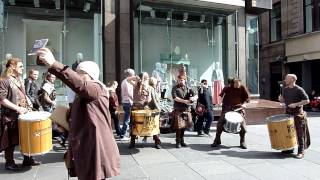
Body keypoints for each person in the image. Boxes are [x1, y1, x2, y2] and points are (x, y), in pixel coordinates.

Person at [37, 48, 120, 179]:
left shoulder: (96, 87)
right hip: (87, 143)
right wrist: (65, 122)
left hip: (94, 145)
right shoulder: (87, 92)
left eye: (80, 73)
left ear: (90, 74)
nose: (77, 75)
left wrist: (54, 64)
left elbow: (79, 84)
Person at [0, 58, 40, 171]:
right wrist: (17, 108)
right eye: (20, 66)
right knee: (11, 140)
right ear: (12, 67)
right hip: (10, 115)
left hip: (22, 114)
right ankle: (9, 162)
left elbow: (23, 94)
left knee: (26, 137)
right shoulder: (4, 80)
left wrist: (29, 104)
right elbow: (1, 99)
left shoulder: (19, 79)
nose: (23, 68)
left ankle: (27, 159)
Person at [211, 78, 250, 149]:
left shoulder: (243, 88)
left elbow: (247, 99)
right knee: (220, 123)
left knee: (244, 128)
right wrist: (220, 101)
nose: (238, 85)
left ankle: (242, 141)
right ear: (233, 83)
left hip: (238, 109)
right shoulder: (227, 88)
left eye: (239, 84)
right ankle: (217, 139)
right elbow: (220, 95)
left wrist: (244, 104)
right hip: (227, 109)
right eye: (236, 84)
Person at [278, 74, 310, 159]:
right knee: (289, 132)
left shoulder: (299, 89)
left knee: (300, 133)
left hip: (297, 114)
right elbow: (284, 101)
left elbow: (307, 100)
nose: (285, 80)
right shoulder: (285, 89)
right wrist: (281, 100)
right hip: (288, 113)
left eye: (286, 78)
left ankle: (301, 152)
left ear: (292, 79)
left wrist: (296, 104)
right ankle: (289, 149)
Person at [127, 72, 162, 149]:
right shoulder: (136, 85)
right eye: (145, 78)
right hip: (135, 108)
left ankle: (157, 141)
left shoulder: (150, 88)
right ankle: (132, 142)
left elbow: (150, 99)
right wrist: (136, 78)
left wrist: (146, 101)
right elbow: (128, 79)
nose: (146, 80)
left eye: (147, 78)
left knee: (153, 125)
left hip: (146, 109)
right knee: (134, 126)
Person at [171, 75, 197, 148]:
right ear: (177, 80)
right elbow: (175, 98)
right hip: (178, 109)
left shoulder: (188, 88)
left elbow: (196, 95)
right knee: (179, 127)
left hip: (186, 110)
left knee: (184, 127)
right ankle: (177, 142)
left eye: (182, 80)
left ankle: (182, 141)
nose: (180, 81)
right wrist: (184, 101)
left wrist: (193, 98)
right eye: (179, 80)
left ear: (184, 80)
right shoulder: (175, 88)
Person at [120, 68, 135, 140]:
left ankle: (123, 133)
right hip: (128, 101)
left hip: (125, 101)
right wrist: (134, 99)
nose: (134, 75)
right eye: (133, 74)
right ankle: (123, 134)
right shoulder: (127, 82)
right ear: (130, 75)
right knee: (127, 119)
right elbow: (130, 93)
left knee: (127, 118)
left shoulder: (124, 81)